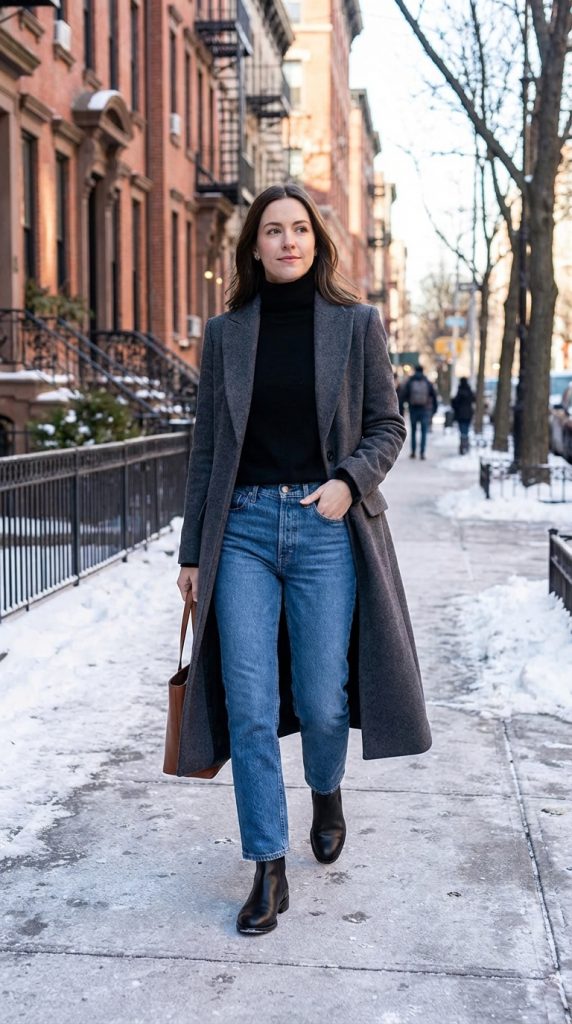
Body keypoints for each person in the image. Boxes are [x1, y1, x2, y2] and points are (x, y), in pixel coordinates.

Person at [175, 183, 432, 936]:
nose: (287, 241)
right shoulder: (227, 334)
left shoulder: (356, 325)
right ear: (252, 247)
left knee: (324, 700)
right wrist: (194, 551)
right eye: (272, 231)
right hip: (245, 531)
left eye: (299, 229)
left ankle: (326, 788)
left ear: (317, 241)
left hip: (325, 530)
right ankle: (268, 866)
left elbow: (387, 425)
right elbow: (206, 452)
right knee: (251, 707)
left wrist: (347, 484)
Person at [401, 364, 438, 459]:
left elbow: (403, 396)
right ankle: (422, 452)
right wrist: (434, 410)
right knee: (423, 431)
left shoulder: (410, 381)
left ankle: (413, 452)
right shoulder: (426, 381)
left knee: (413, 431)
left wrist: (402, 409)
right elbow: (433, 396)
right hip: (424, 410)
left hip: (413, 409)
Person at [451, 377, 475, 454]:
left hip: (461, 415)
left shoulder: (460, 391)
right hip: (468, 414)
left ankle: (463, 446)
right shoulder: (469, 391)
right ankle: (466, 445)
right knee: (466, 430)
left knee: (462, 431)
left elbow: (455, 403)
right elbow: (474, 400)